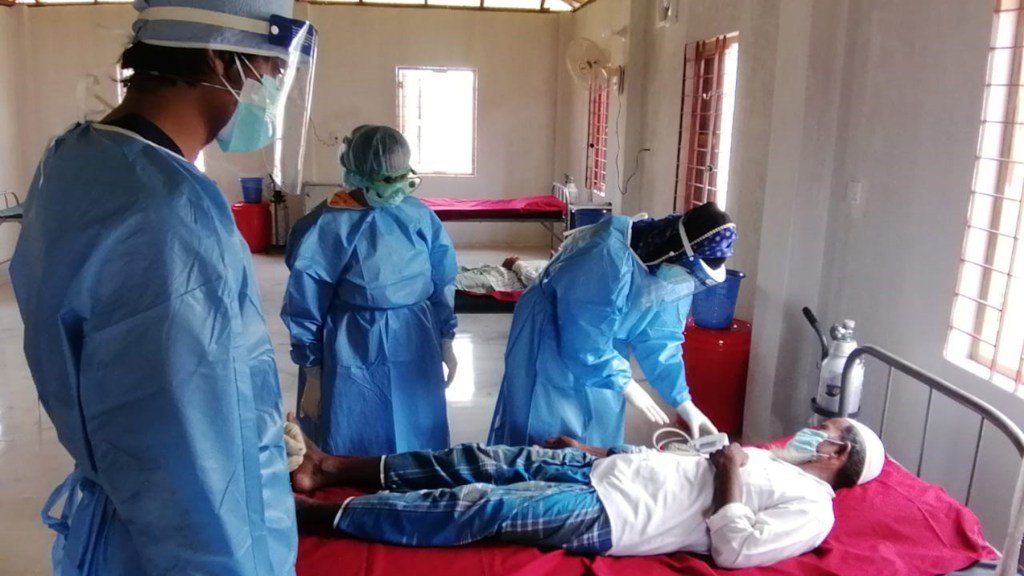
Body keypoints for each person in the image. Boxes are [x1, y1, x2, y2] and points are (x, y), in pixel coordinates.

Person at [9, 1, 317, 574]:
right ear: (220, 58)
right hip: (187, 544)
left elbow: (145, 380)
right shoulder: (173, 213)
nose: (273, 90)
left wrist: (259, 424)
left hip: (125, 516)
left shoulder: (78, 159)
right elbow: (193, 455)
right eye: (270, 72)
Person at [291, 418, 885, 569]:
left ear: (836, 456)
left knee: (484, 504)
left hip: (615, 516)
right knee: (479, 459)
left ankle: (317, 517)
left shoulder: (813, 510)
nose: (812, 430)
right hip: (610, 475)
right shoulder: (770, 457)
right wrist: (596, 449)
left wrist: (729, 468)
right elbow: (673, 462)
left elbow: (733, 551)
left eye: (824, 432)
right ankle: (330, 466)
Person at [488, 203, 737, 447]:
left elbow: (661, 339)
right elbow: (583, 340)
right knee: (546, 430)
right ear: (676, 252)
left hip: (604, 348)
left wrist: (683, 402)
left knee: (599, 429)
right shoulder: (606, 255)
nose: (686, 282)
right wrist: (625, 383)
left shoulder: (666, 273)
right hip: (548, 338)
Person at [281, 125, 458, 457]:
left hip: (416, 337)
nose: (398, 189)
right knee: (353, 434)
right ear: (359, 174)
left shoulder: (418, 216)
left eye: (404, 178)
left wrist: (446, 338)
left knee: (417, 434)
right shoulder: (326, 225)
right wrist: (312, 370)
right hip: (353, 342)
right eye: (387, 181)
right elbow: (305, 301)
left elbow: (442, 279)